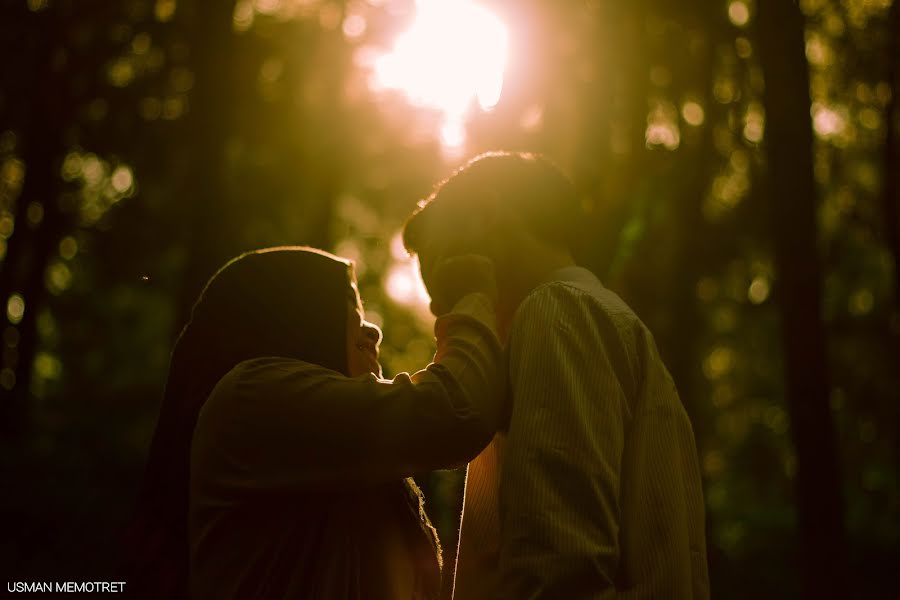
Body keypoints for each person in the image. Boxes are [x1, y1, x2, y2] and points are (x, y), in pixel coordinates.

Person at [402, 152, 710, 599]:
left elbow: (558, 571)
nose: (439, 309)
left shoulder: (556, 314)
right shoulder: (600, 319)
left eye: (446, 271)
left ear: (486, 216)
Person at [121, 246, 504, 599]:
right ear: (296, 313)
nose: (373, 331)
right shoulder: (253, 398)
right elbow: (453, 411)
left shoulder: (333, 445)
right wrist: (472, 296)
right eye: (350, 310)